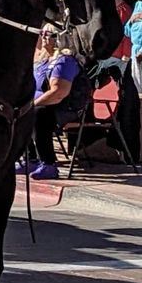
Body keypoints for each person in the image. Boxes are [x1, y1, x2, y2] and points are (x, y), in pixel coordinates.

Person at [19, 26, 87, 180]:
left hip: (64, 109)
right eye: (41, 33)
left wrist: (32, 104)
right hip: (43, 105)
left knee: (37, 114)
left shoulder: (64, 61)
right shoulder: (43, 60)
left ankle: (48, 164)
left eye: (48, 34)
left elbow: (58, 93)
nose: (43, 37)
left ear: (59, 38)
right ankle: (30, 160)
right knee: (20, 110)